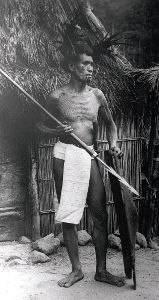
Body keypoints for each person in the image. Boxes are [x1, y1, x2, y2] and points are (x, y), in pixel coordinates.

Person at [36, 42, 125, 288]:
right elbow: (39, 126)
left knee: (99, 212)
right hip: (65, 154)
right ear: (71, 66)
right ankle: (76, 270)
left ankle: (102, 271)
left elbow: (111, 124)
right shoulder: (57, 96)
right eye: (85, 64)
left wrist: (113, 144)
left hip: (90, 155)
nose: (90, 69)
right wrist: (54, 129)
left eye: (92, 64)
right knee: (69, 213)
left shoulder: (97, 95)